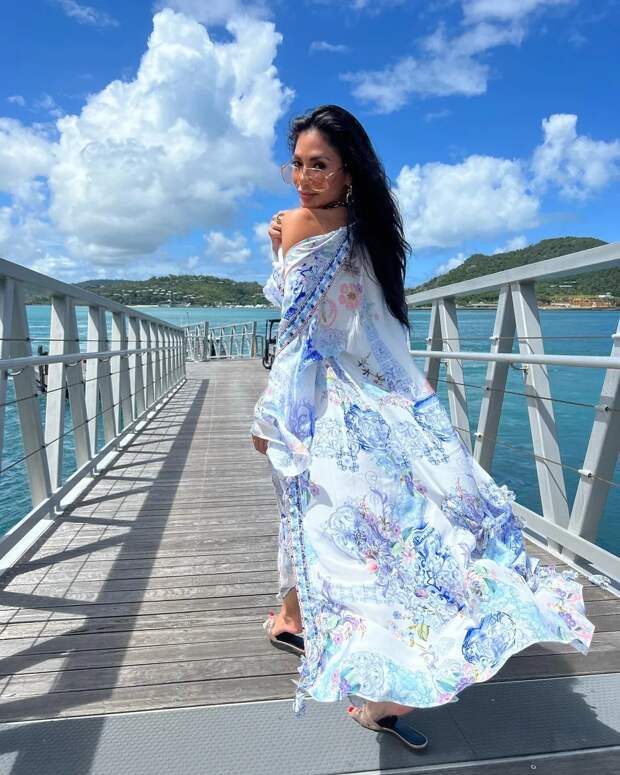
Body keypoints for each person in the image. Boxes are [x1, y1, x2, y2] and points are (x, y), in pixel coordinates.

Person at [250, 104, 595, 749]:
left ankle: (339, 650)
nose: (303, 179)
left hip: (324, 401)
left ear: (347, 171)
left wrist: (269, 413)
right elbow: (355, 320)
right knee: (383, 521)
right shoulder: (373, 234)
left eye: (319, 165)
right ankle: (300, 623)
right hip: (385, 401)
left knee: (318, 515)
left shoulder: (303, 225)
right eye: (296, 165)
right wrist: (282, 251)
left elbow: (297, 332)